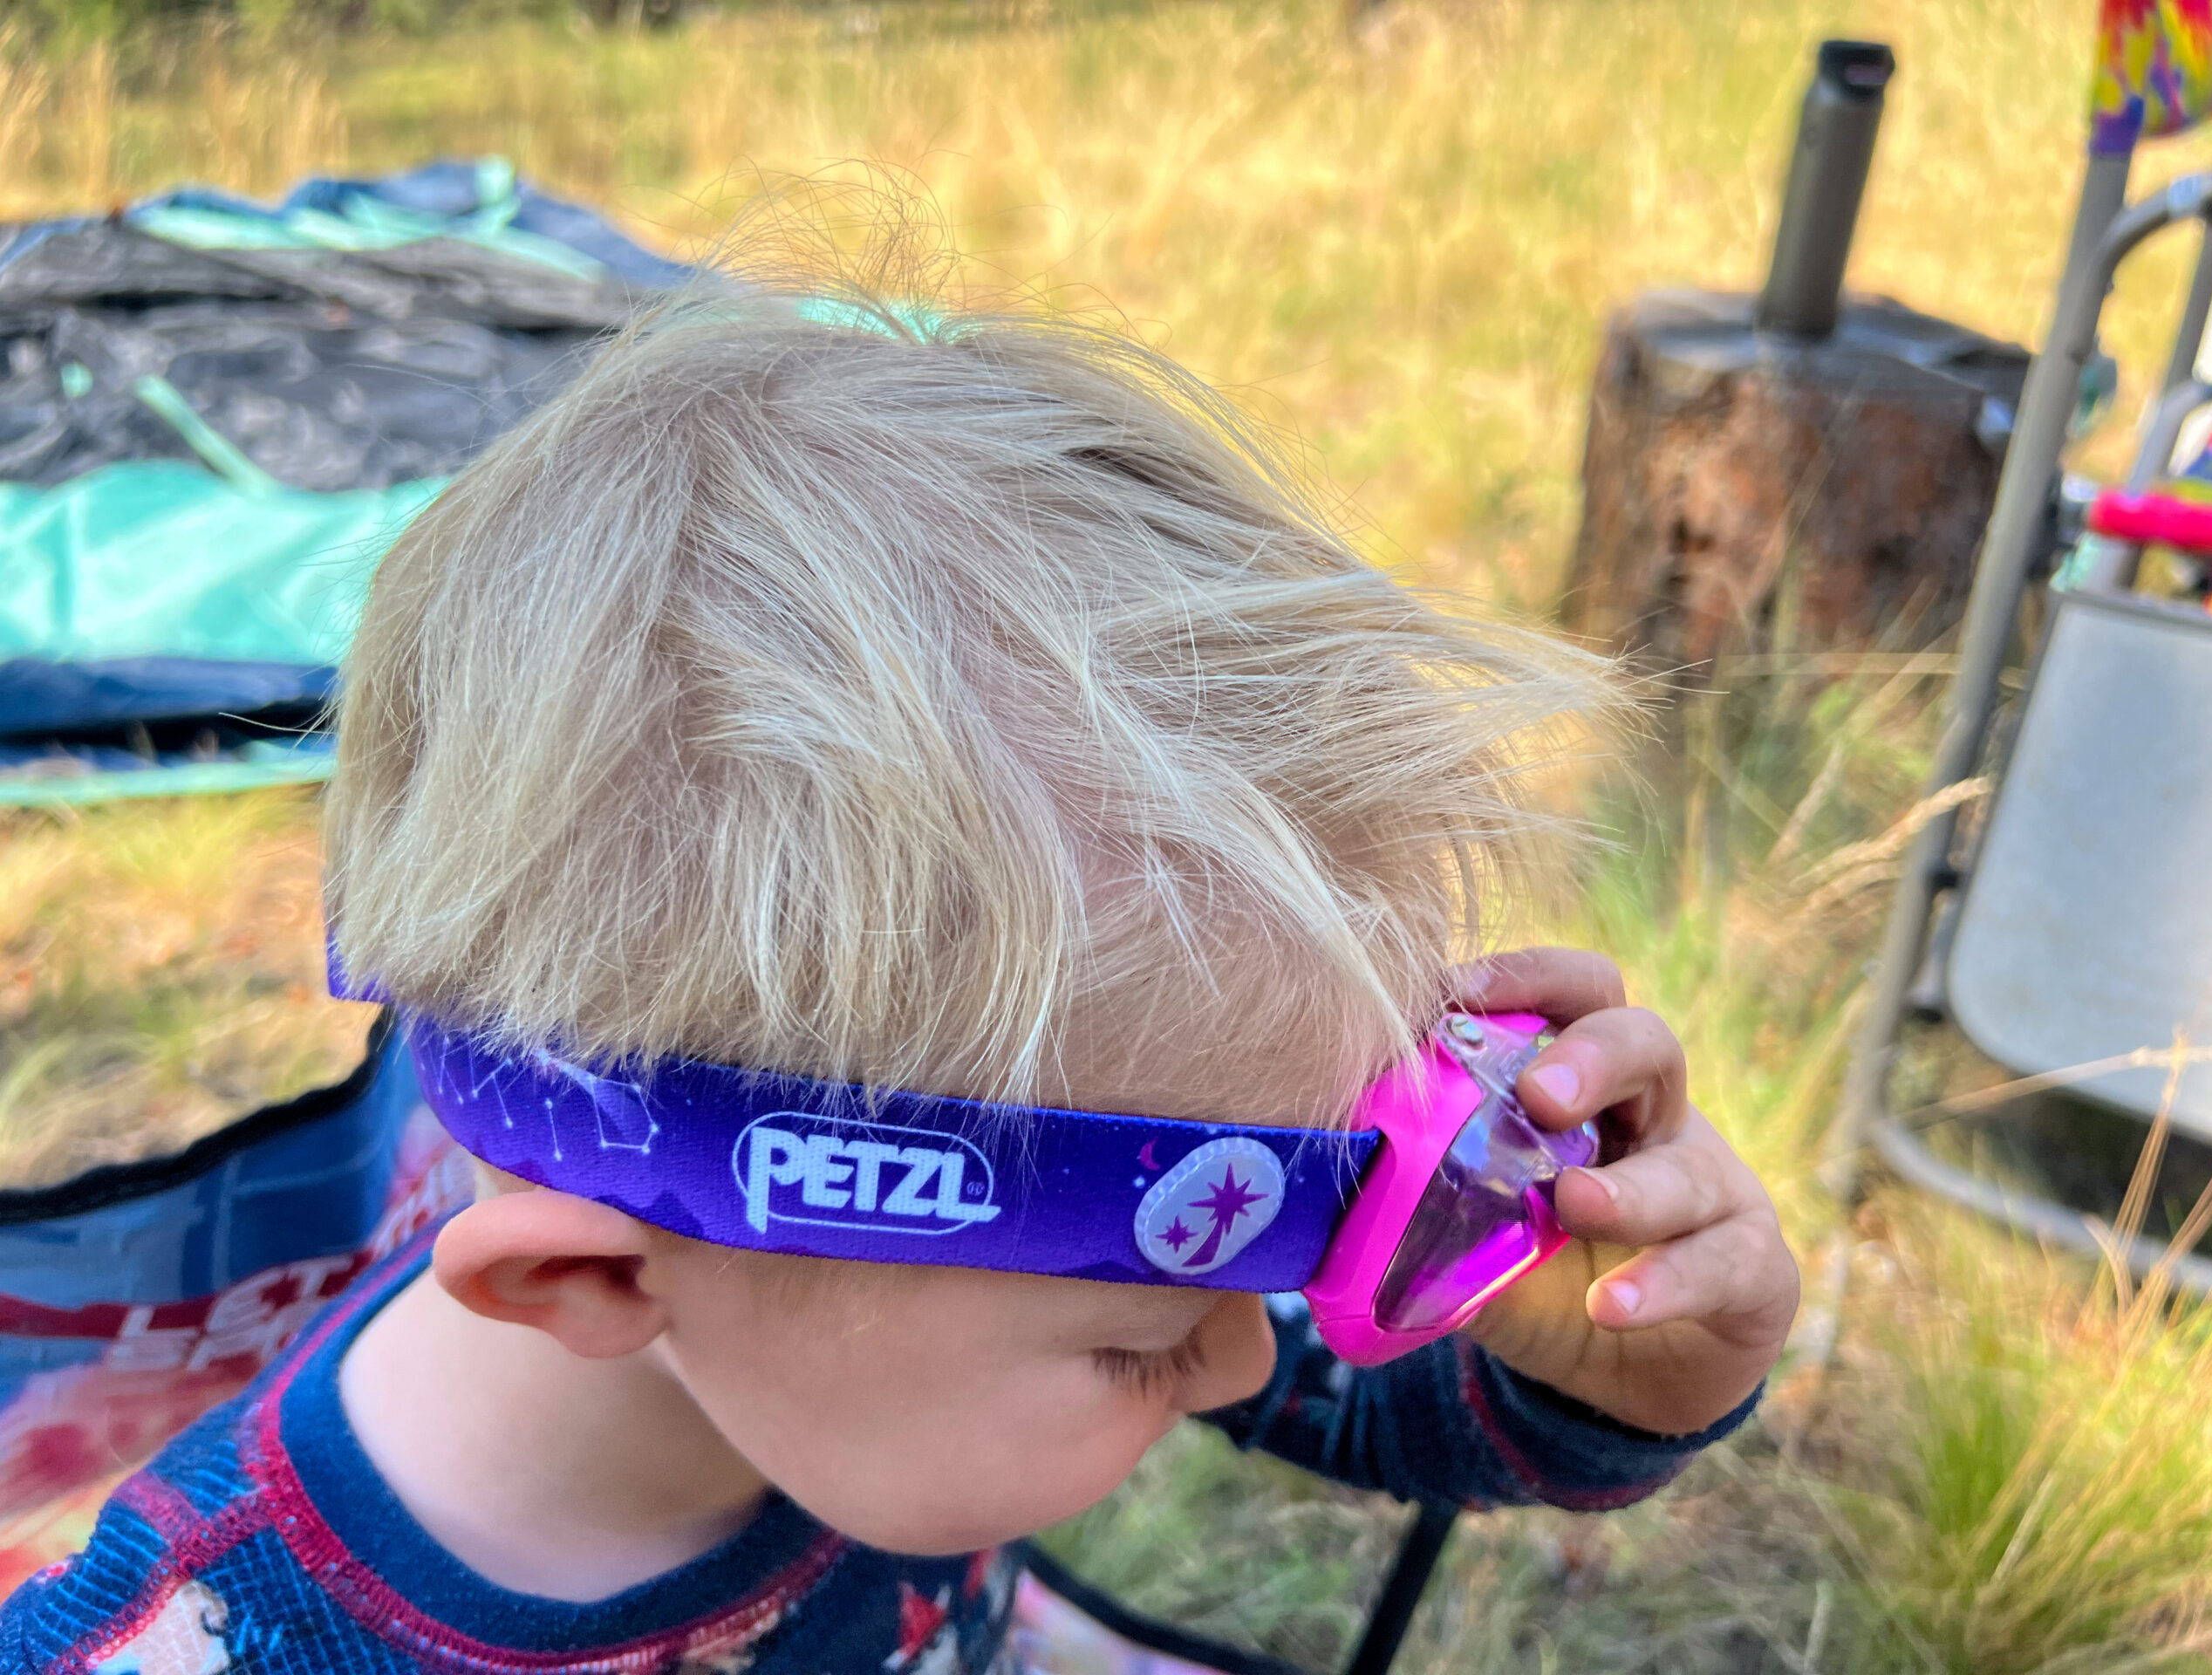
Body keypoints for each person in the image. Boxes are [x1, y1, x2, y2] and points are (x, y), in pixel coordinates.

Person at [0, 252, 1799, 1675]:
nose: (1247, 1374)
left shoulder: (830, 1312)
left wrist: (1617, 1362)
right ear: (595, 1286)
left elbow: (1383, 1409)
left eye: (1264, 1278)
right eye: (1149, 1339)